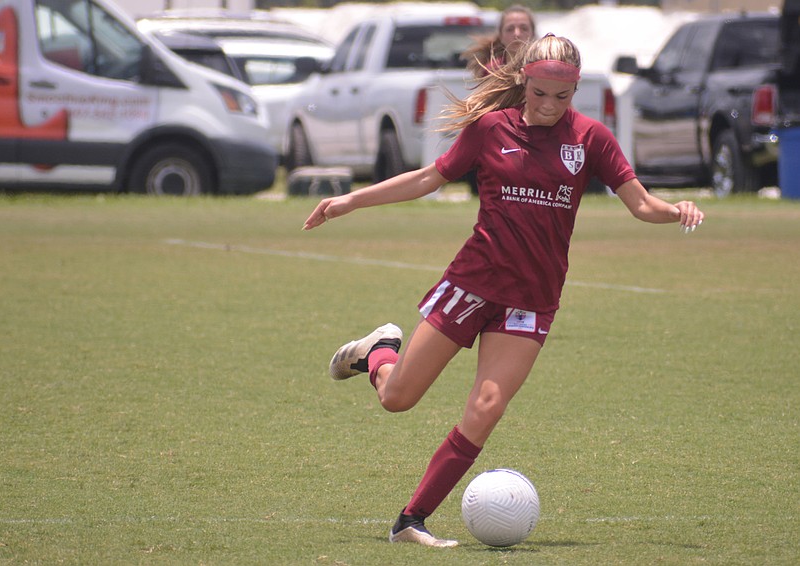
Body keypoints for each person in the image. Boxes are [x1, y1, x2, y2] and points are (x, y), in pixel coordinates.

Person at [302, 34, 704, 548]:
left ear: (575, 90)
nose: (550, 106)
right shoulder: (491, 128)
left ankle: (410, 520)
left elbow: (642, 204)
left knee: (487, 405)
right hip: (472, 283)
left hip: (532, 299)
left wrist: (677, 211)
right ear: (523, 82)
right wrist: (352, 200)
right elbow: (429, 178)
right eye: (540, 94)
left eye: (563, 97)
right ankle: (379, 351)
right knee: (398, 399)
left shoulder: (592, 140)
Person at [463, 5, 537, 78]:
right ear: (501, 36)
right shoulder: (492, 71)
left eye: (524, 28)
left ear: (533, 34)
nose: (517, 34)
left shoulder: (541, 68)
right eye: (510, 29)